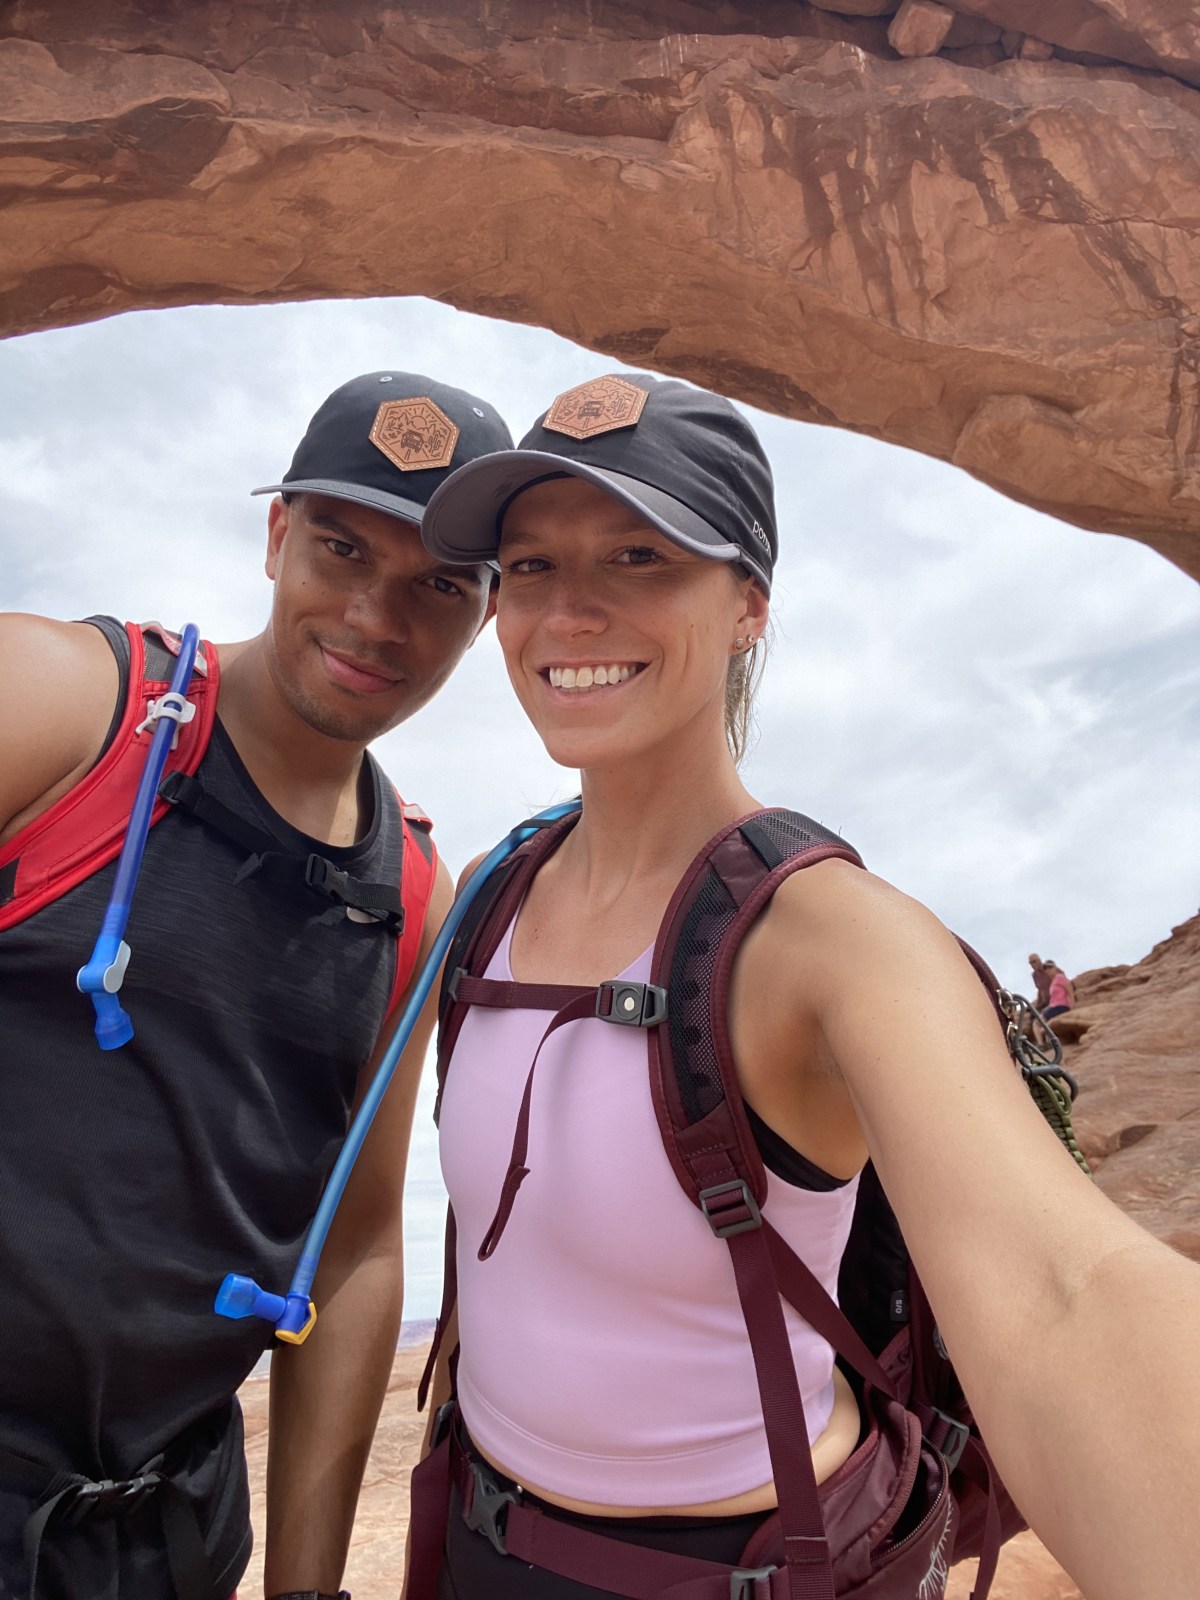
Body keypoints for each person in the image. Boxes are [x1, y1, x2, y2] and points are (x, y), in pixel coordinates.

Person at [411, 373, 1200, 1600]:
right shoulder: (490, 889)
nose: (570, 610)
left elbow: (1067, 1294)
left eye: (638, 554)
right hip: (480, 1538)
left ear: (748, 608)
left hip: (746, 1572)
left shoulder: (829, 938)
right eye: (529, 567)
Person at [0, 372, 512, 1600]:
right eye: (342, 547)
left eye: (439, 585)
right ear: (278, 534)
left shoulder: (416, 897)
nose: (377, 616)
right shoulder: (73, 707)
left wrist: (307, 1588)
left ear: (485, 614)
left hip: (165, 1542)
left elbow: (355, 1238)